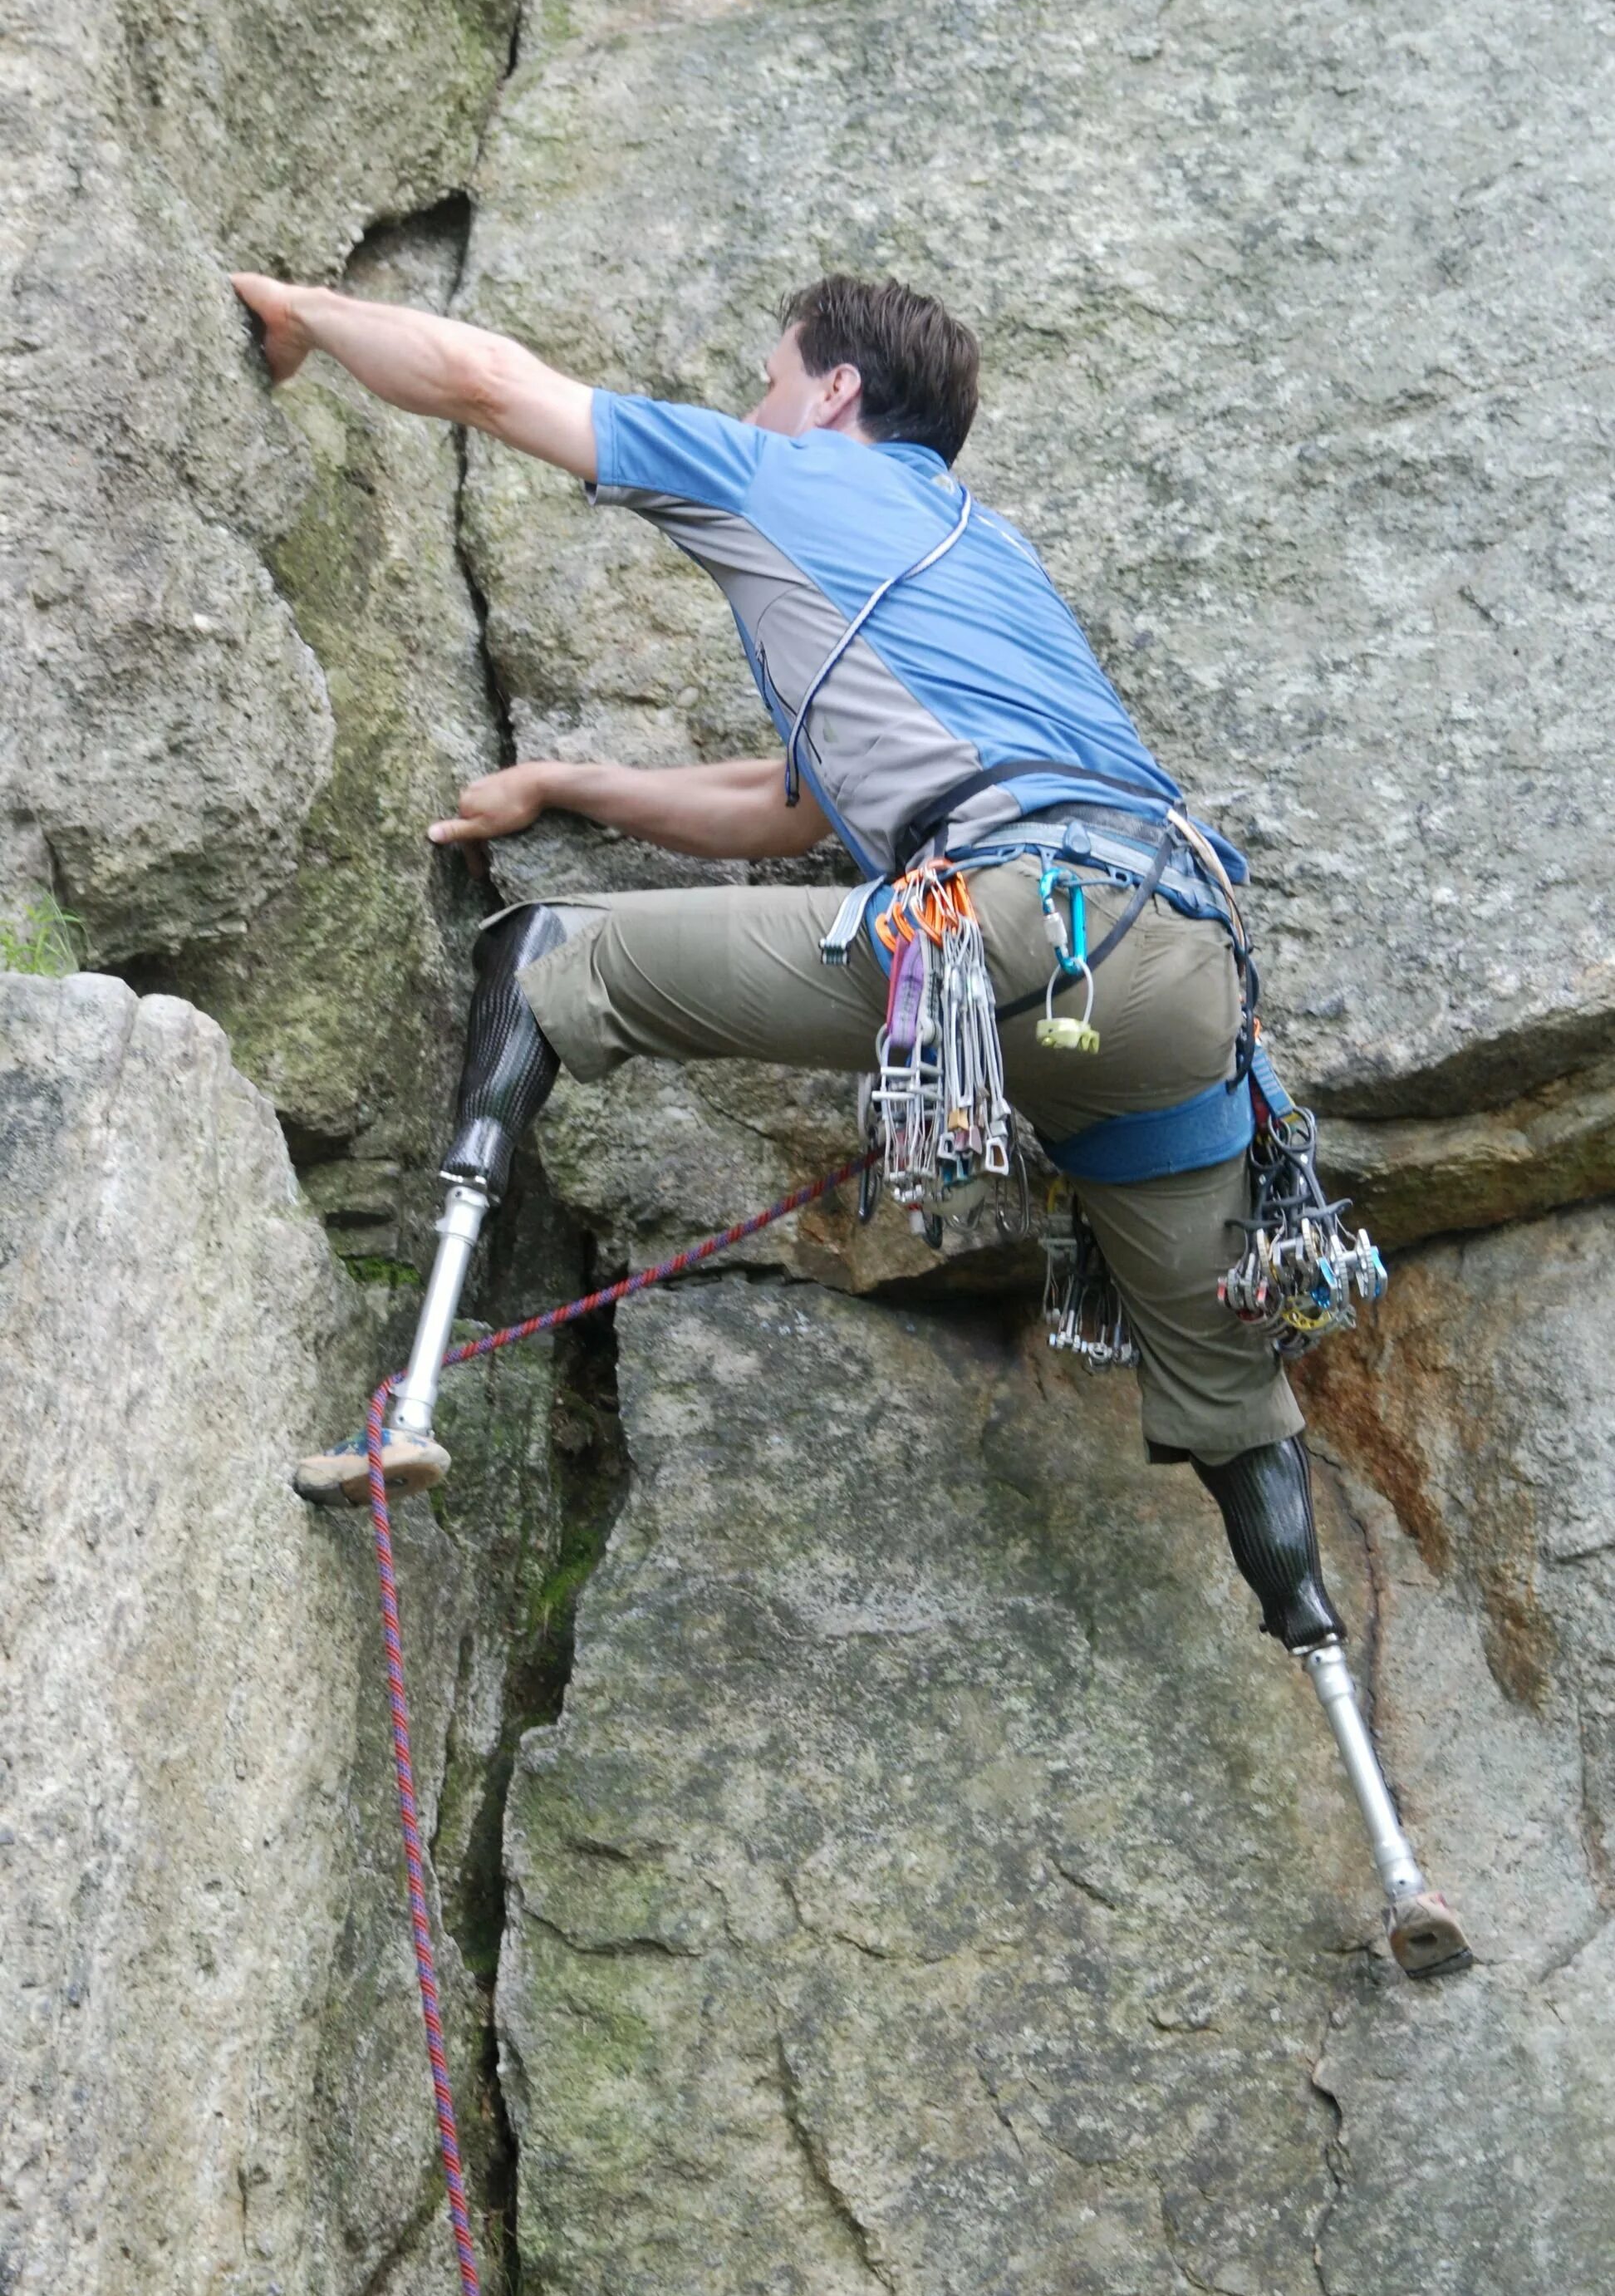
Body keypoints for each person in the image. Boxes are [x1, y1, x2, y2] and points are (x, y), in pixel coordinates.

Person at [233, 266, 1338, 1650]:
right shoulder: (984, 557)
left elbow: (489, 384)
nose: (756, 403)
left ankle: (411, 1409)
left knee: (548, 955)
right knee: (1231, 1389)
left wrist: (305, 311)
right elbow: (786, 809)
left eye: (771, 380)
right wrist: (569, 780)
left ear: (834, 394)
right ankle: (1371, 1785)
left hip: (1000, 929)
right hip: (1181, 970)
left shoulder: (785, 475)